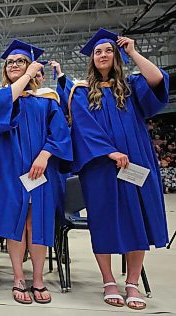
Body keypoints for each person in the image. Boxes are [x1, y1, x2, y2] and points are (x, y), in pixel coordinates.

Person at [68, 28, 169, 310]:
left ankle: (132, 282)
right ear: (91, 59)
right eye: (98, 51)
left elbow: (158, 80)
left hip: (136, 162)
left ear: (116, 56)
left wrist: (133, 52)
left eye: (108, 51)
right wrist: (108, 151)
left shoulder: (133, 86)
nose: (102, 55)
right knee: (104, 221)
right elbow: (83, 128)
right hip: (101, 166)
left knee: (139, 220)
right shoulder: (81, 92)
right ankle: (108, 280)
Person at [0, 40, 72, 305]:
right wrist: (29, 74)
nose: (15, 65)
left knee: (36, 223)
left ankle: (38, 279)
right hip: (9, 172)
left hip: (40, 171)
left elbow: (61, 134)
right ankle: (19, 278)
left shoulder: (47, 100)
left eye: (21, 61)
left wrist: (44, 155)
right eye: (10, 62)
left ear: (30, 64)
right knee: (16, 225)